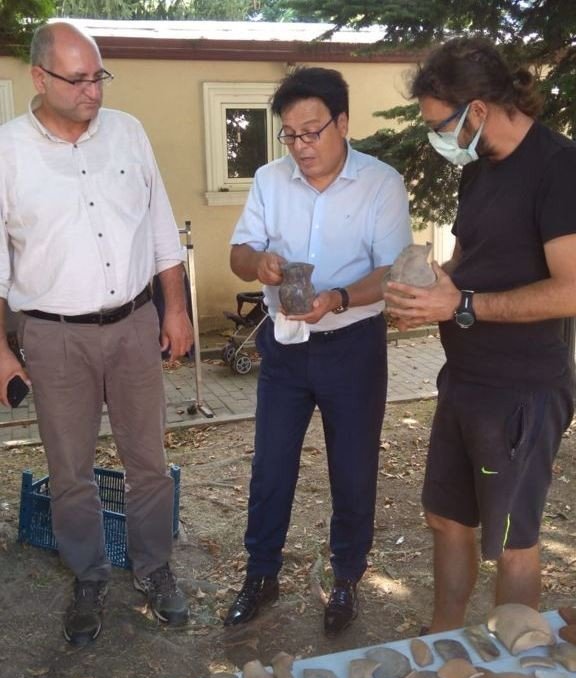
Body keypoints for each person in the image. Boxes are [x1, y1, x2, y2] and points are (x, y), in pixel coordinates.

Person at [0, 22, 194, 646]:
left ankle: (154, 568)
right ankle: (88, 575)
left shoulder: (128, 132)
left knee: (149, 462)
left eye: (98, 76)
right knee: (70, 470)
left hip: (135, 324)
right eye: (78, 79)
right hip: (54, 336)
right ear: (40, 78)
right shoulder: (7, 152)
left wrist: (176, 309)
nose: (93, 91)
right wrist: (2, 352)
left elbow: (161, 228)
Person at [383, 37, 576, 633]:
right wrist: (431, 293)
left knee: (513, 542)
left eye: (439, 125)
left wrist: (461, 304)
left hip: (523, 390)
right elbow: (470, 258)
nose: (436, 138)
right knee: (445, 519)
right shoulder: (479, 170)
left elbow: (571, 288)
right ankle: (447, 643)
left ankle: (514, 668)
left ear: (479, 109)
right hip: (465, 379)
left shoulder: (558, 167)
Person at [223, 67, 412, 635]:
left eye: (312, 132)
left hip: (353, 347)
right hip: (285, 347)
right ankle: (261, 573)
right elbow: (238, 252)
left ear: (342, 123)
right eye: (290, 134)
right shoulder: (269, 179)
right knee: (271, 465)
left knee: (352, 469)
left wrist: (338, 298)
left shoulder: (380, 183)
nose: (301, 146)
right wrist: (258, 263)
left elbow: (393, 271)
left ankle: (347, 577)